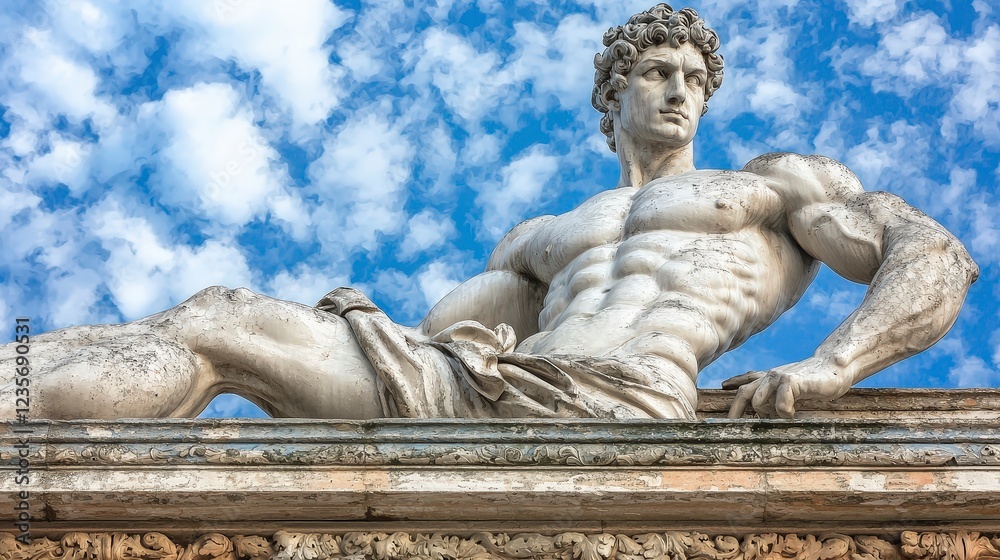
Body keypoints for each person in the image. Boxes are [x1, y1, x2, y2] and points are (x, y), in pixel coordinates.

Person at [0, 4, 978, 421]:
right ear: (613, 95)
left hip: (626, 396)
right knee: (222, 314)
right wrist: (364, 326)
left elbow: (930, 254)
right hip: (489, 387)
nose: (682, 90)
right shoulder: (542, 239)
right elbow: (441, 337)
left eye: (694, 77)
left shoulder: (774, 186)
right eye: (657, 71)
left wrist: (830, 366)